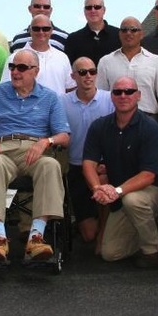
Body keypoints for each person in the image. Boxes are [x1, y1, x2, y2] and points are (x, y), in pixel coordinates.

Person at [0, 50, 70, 262]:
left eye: (22, 68)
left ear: (36, 71)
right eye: (12, 67)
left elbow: (64, 135)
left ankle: (36, 237)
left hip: (34, 151)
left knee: (51, 165)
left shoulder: (49, 97)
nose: (15, 72)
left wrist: (46, 141)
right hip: (2, 149)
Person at [82, 76, 158, 268]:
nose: (123, 96)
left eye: (129, 91)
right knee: (110, 253)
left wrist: (117, 191)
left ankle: (152, 250)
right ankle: (150, 228)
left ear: (138, 96)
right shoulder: (100, 126)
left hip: (155, 190)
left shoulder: (150, 127)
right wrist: (97, 188)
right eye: (118, 92)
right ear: (111, 97)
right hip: (122, 194)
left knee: (134, 201)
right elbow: (88, 163)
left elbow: (148, 175)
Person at [62, 57, 114, 248]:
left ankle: (108, 236)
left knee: (104, 183)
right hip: (76, 167)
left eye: (92, 71)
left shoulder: (110, 99)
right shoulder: (62, 102)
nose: (88, 76)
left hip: (103, 166)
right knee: (89, 235)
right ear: (73, 76)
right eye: (82, 72)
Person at [97, 16, 158, 122]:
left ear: (141, 34)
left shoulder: (156, 61)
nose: (128, 33)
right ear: (119, 34)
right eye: (124, 30)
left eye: (133, 30)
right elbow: (100, 96)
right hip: (114, 121)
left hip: (149, 120)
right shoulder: (105, 62)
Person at [0, 14, 75, 95]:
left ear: (51, 30)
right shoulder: (14, 58)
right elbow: (5, 89)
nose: (41, 32)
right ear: (30, 30)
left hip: (57, 107)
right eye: (36, 29)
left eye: (45, 29)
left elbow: (70, 88)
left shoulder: (62, 57)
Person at [65, 0, 121, 65]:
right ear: (84, 11)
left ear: (104, 10)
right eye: (89, 7)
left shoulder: (119, 35)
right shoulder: (73, 39)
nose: (93, 10)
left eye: (97, 7)